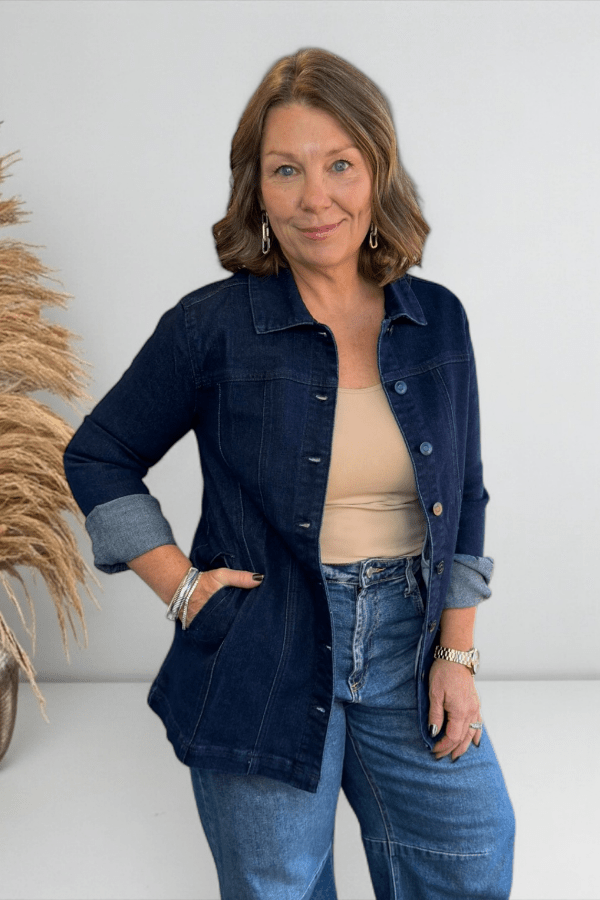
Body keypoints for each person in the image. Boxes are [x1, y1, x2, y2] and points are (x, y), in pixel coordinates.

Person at [64, 48, 515, 900]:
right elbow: (97, 454)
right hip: (262, 642)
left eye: (340, 164)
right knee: (280, 884)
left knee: (470, 852)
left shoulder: (436, 319)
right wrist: (181, 587)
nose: (317, 198)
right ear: (256, 189)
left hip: (410, 641)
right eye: (286, 170)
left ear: (377, 170)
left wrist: (457, 652)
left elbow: (470, 496)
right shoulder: (212, 327)